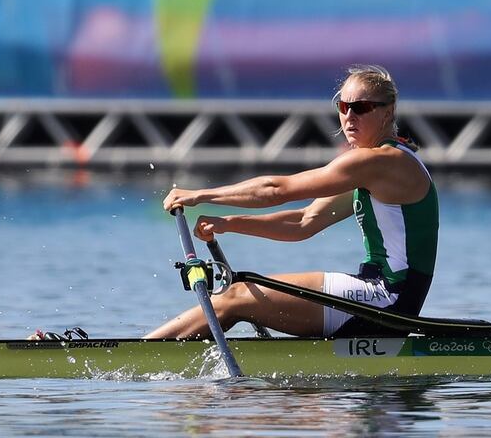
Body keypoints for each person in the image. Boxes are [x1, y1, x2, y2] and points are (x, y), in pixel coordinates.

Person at [148, 65, 438, 340]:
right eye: (343, 107)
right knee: (237, 295)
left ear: (388, 112)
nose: (349, 117)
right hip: (381, 296)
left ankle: (139, 354)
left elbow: (277, 189)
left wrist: (201, 196)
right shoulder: (378, 167)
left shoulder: (382, 162)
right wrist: (229, 223)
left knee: (234, 296)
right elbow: (304, 221)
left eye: (361, 107)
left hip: (385, 299)